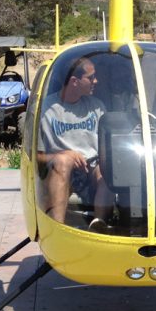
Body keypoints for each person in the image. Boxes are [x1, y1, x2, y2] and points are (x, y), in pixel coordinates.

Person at [37, 57, 114, 228]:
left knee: (108, 170)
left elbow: (109, 146)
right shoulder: (46, 110)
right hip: (61, 171)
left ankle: (98, 224)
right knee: (63, 162)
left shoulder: (97, 107)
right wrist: (64, 155)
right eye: (91, 77)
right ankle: (58, 228)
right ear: (74, 81)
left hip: (92, 168)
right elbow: (36, 157)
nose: (96, 81)